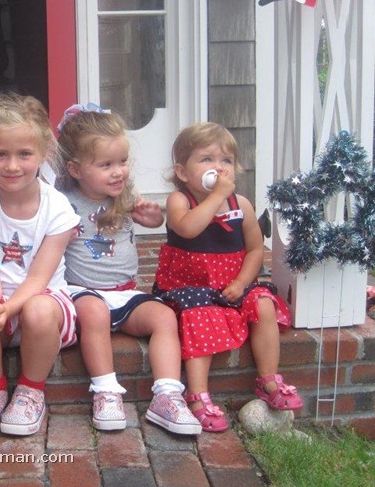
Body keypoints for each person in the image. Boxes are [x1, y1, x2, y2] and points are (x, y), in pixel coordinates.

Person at [56, 105, 202, 435]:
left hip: (125, 292)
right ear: (75, 169)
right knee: (94, 313)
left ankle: (167, 396)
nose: (118, 172)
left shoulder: (126, 192)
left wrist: (152, 217)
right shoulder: (62, 199)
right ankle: (106, 391)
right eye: (105, 165)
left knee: (165, 317)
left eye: (122, 161)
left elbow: (152, 219)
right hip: (82, 291)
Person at [153, 122, 303, 432]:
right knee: (202, 317)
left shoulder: (241, 205)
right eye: (206, 159)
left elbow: (255, 250)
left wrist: (241, 283)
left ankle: (268, 380)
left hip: (233, 284)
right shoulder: (180, 201)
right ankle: (197, 395)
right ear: (183, 172)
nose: (218, 167)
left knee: (263, 304)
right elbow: (189, 228)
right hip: (189, 287)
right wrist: (217, 196)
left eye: (226, 160)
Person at [0, 92, 80, 437]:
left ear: (43, 153)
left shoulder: (57, 208)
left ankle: (30, 390)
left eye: (24, 154)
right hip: (2, 308)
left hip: (45, 307)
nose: (12, 165)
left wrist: (9, 307)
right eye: (0, 154)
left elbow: (39, 278)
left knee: (38, 309)